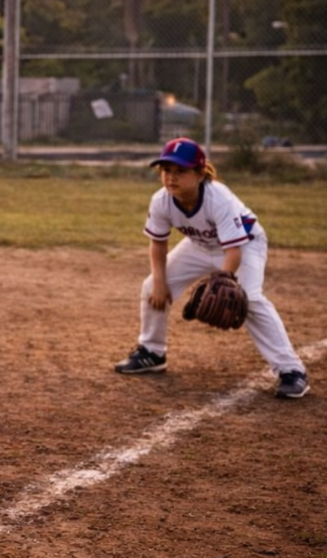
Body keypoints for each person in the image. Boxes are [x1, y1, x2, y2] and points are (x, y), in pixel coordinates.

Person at [114, 137, 310, 399]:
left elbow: (233, 250)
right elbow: (158, 244)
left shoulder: (218, 199)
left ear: (199, 173)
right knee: (151, 286)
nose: (171, 177)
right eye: (166, 170)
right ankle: (152, 352)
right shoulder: (161, 200)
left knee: (249, 298)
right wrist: (160, 283)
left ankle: (292, 370)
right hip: (200, 245)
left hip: (245, 244)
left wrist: (222, 281)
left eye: (181, 171)